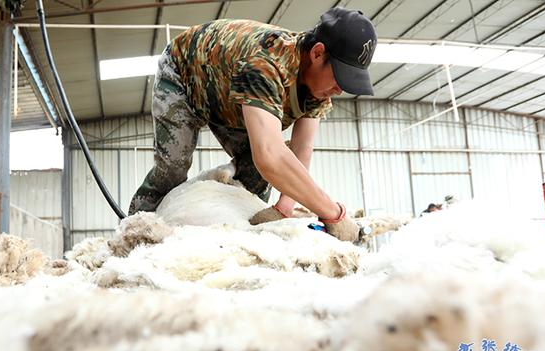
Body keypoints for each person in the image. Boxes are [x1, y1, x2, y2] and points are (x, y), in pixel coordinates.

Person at [129, 7, 377, 242]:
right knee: (173, 166)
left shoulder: (319, 87)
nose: (340, 89)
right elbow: (270, 156)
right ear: (317, 53)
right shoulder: (266, 64)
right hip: (185, 75)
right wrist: (334, 213)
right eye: (340, 77)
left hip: (232, 98)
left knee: (256, 179)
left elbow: (301, 151)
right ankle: (133, 230)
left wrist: (284, 208)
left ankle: (240, 247)